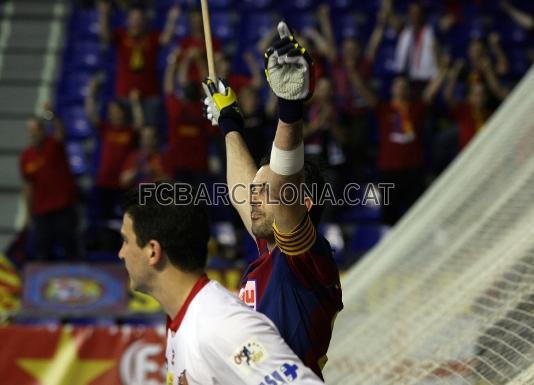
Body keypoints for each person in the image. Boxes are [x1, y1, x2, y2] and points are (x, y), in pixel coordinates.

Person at [203, 21, 343, 379]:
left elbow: (281, 190)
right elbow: (242, 189)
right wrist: (230, 122)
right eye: (255, 191)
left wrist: (290, 108)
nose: (253, 198)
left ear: (303, 203)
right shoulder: (270, 253)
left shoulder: (304, 257)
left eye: (264, 192)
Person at [119, 185, 324, 384]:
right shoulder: (188, 320)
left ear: (153, 251)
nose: (121, 253)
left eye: (126, 241)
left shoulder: (221, 325)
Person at [19, 104, 79, 260]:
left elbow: (61, 133)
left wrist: (52, 115)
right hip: (41, 211)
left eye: (35, 130)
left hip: (63, 207)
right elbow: (28, 187)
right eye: (29, 130)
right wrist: (28, 213)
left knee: (70, 248)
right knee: (42, 252)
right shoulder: (26, 157)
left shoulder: (54, 144)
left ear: (42, 131)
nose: (32, 134)